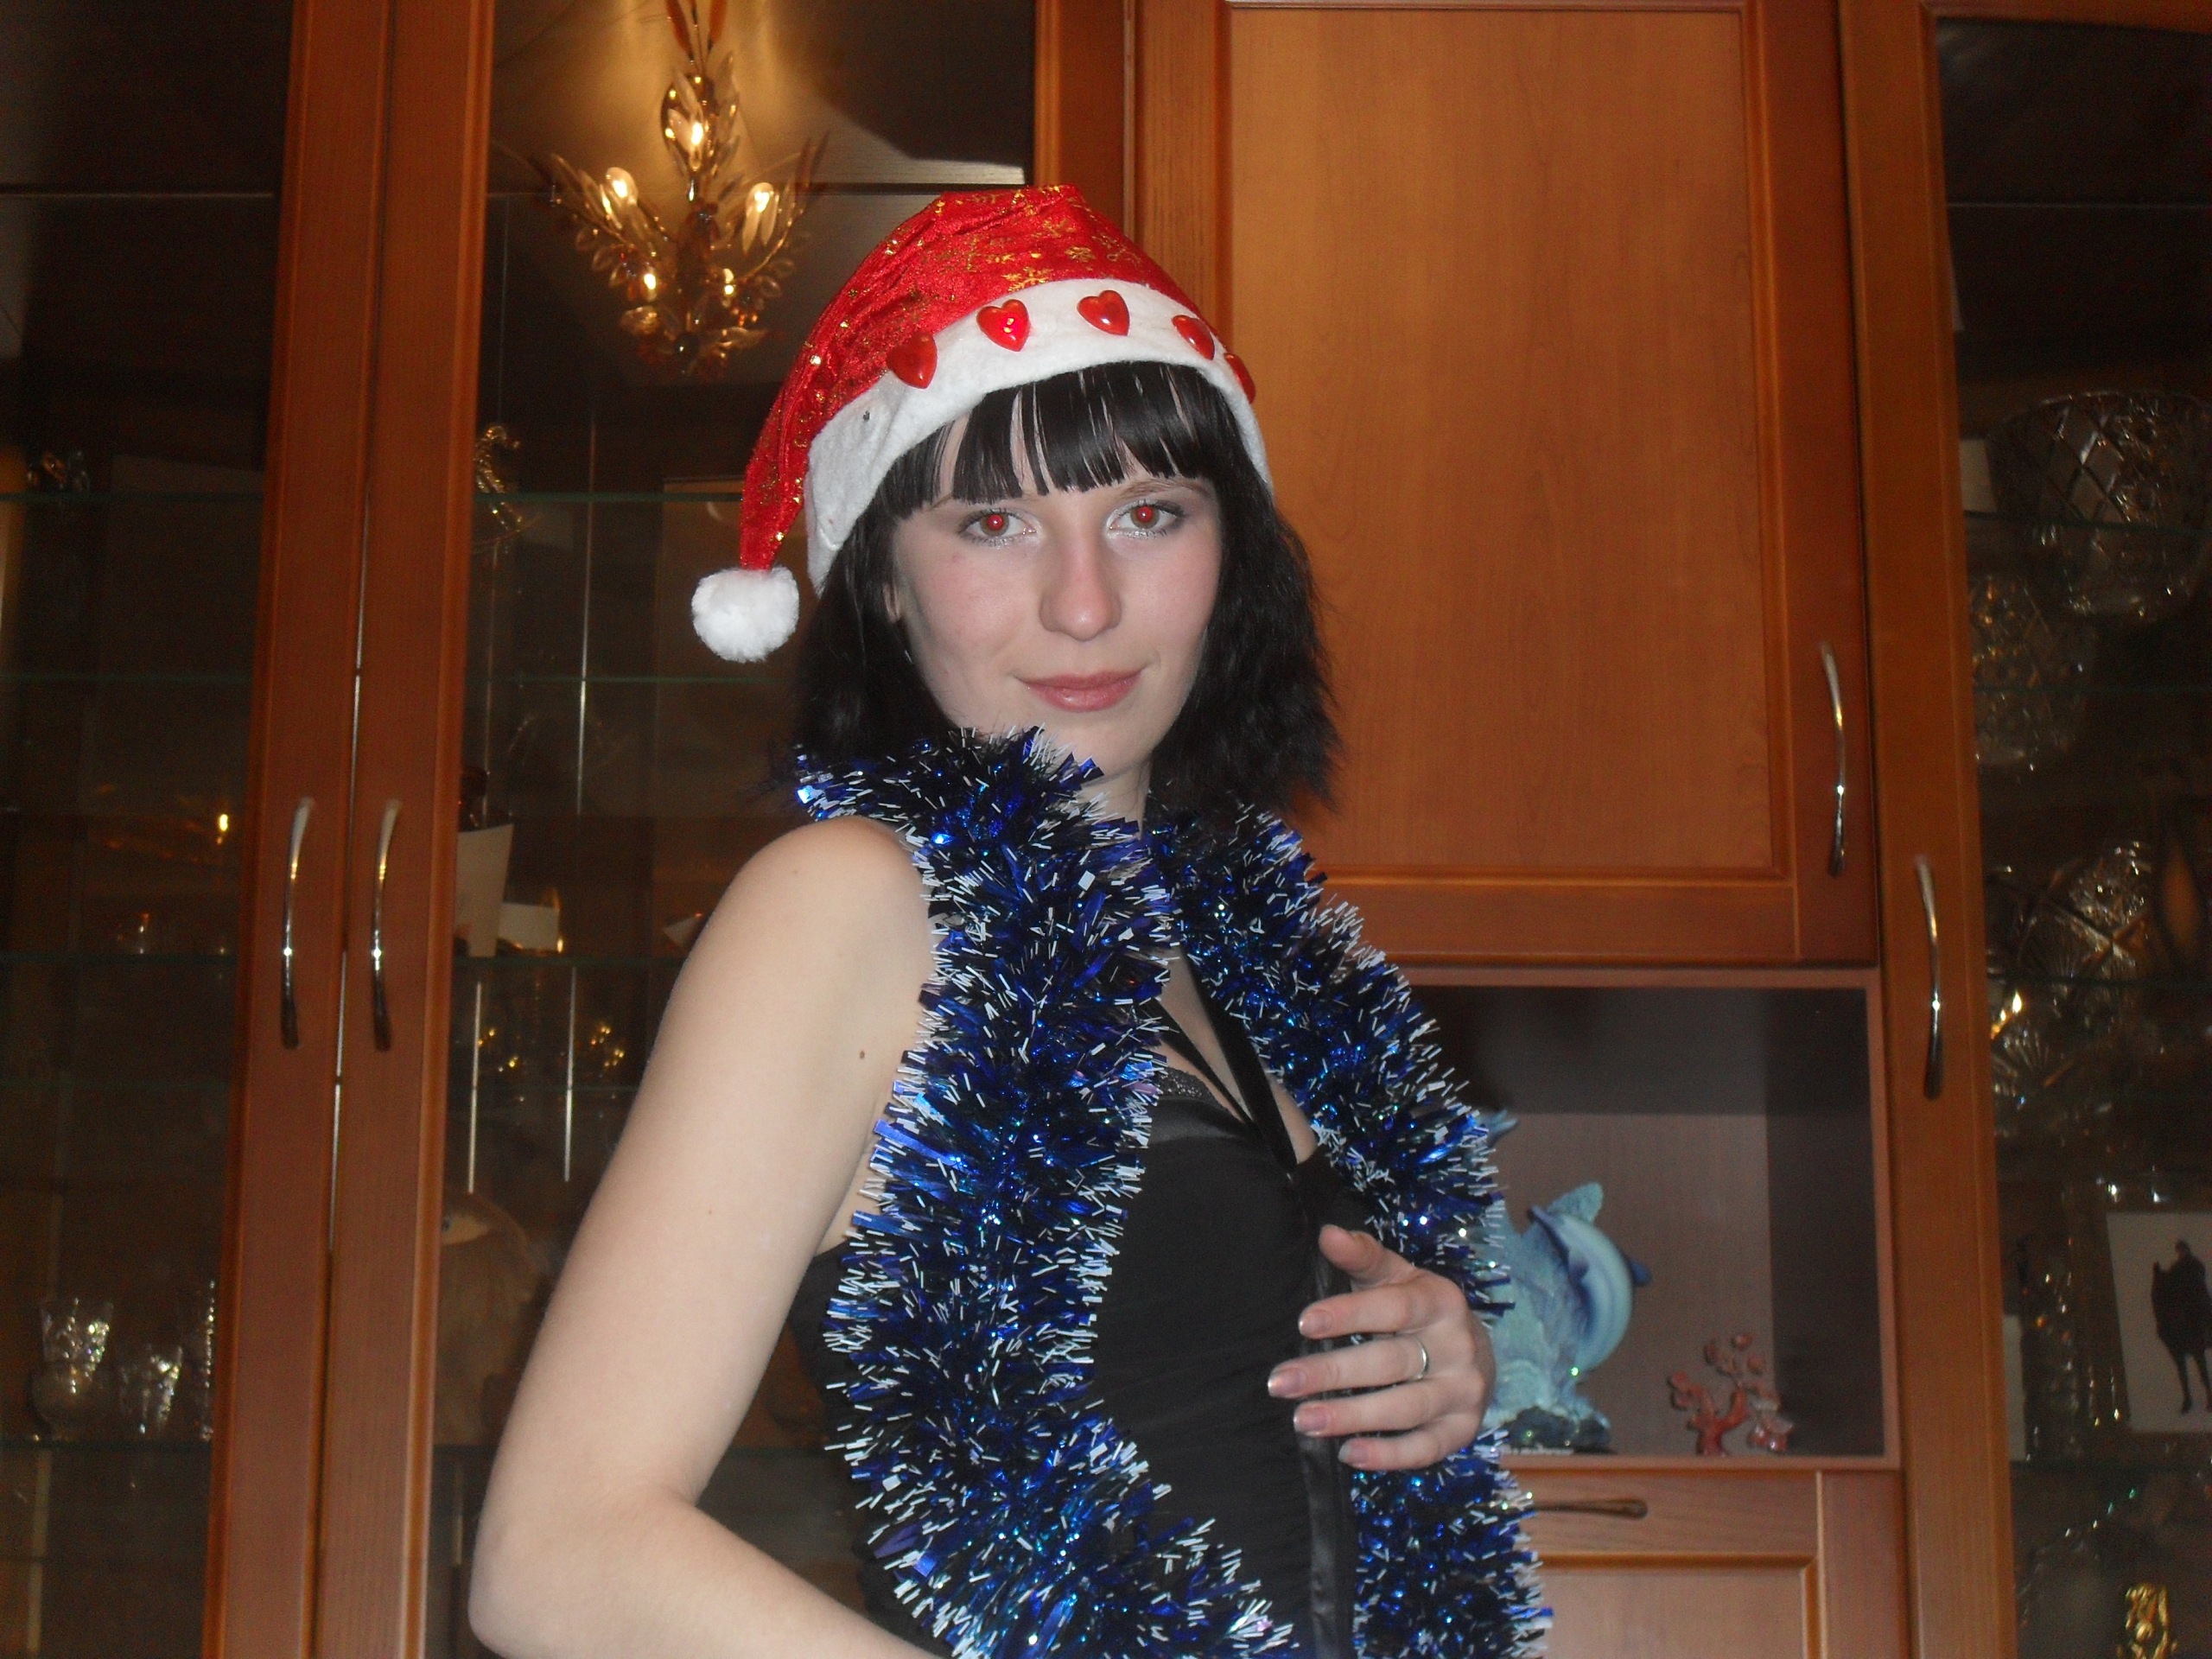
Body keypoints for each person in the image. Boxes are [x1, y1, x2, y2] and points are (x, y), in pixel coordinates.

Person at [469, 188, 1539, 1659]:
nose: (1084, 604)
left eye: (1148, 514)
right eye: (994, 522)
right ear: (884, 583)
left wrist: (1435, 1362)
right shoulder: (849, 903)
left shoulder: (1246, 956)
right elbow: (556, 1557)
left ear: (1232, 553)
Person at [2152, 1237, 2212, 1414]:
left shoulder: (2195, 1265)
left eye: (2182, 1249)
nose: (2181, 1253)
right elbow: (2169, 1282)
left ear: (2187, 1250)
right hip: (2184, 1306)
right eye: (2179, 1250)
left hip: (2197, 1305)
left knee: (2204, 1314)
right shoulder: (2176, 1267)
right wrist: (2160, 1274)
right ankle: (2187, 1398)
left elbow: (2197, 1282)